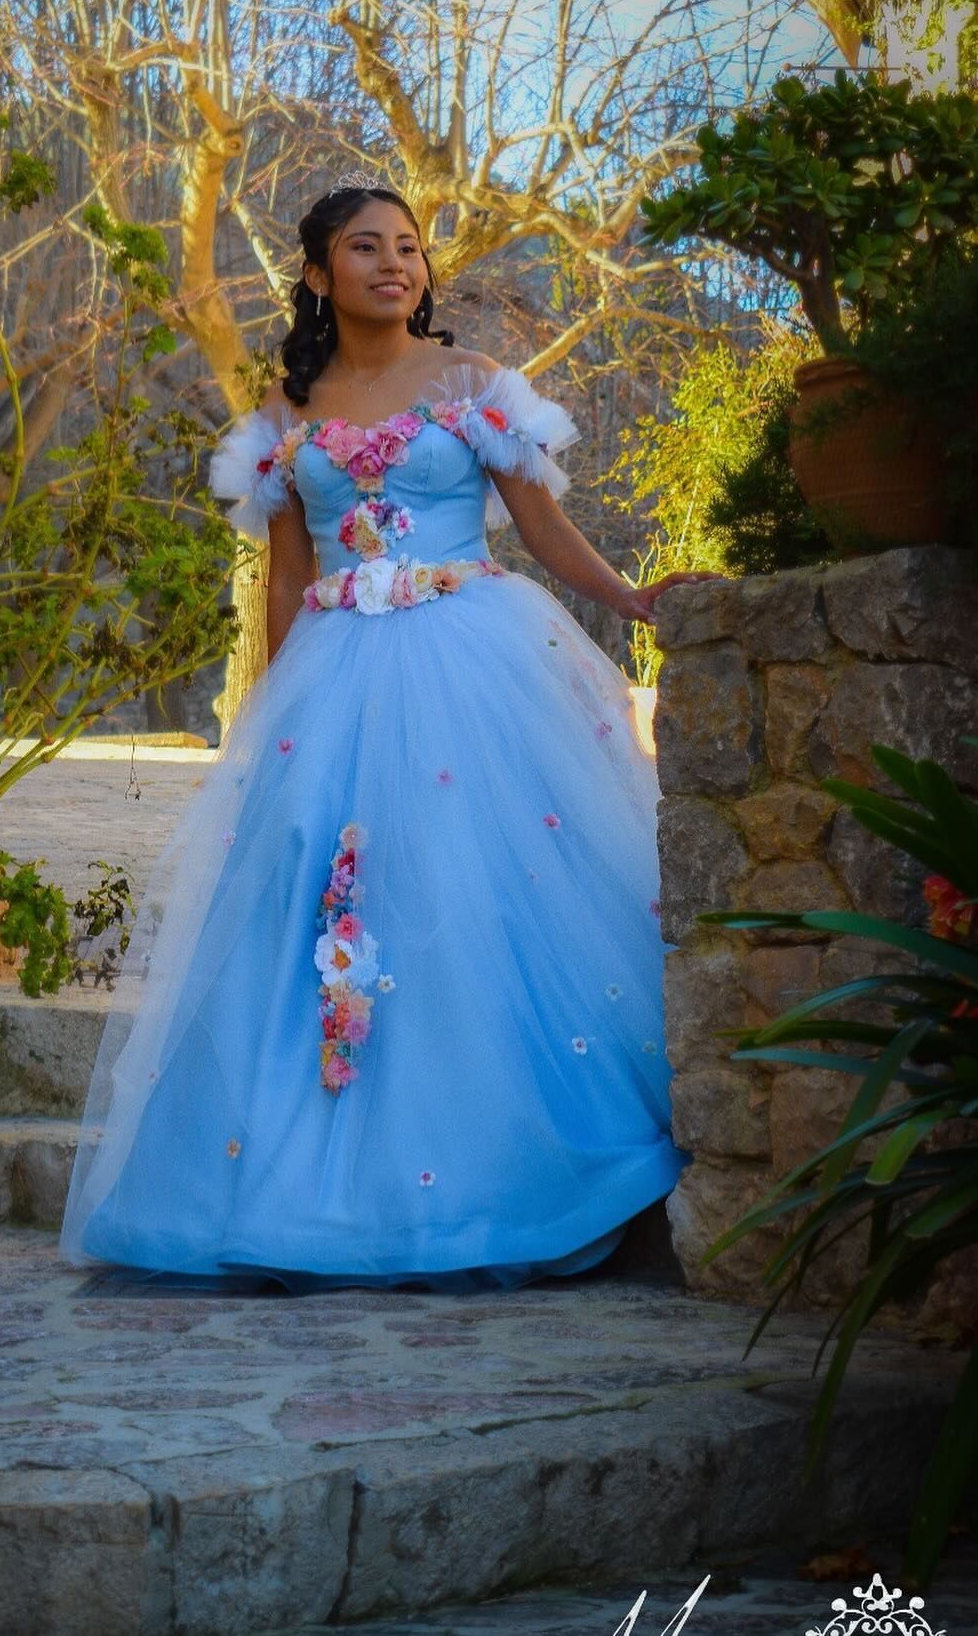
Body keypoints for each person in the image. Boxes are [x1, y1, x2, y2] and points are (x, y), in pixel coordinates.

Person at [58, 175, 722, 1292]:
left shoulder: (472, 383)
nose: (395, 264)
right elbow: (287, 578)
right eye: (367, 248)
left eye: (409, 247)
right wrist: (272, 719)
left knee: (467, 887)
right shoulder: (286, 415)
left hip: (471, 659)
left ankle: (509, 1168)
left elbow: (543, 530)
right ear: (319, 273)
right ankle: (305, 1190)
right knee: (325, 903)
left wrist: (633, 598)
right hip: (333, 677)